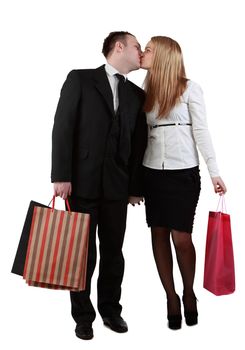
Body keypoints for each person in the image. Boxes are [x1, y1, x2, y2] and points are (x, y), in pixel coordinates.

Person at [51, 31, 146, 340]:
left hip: (117, 189)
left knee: (113, 253)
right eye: (136, 47)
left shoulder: (136, 96)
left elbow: (138, 145)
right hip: (81, 184)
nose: (141, 52)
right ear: (119, 47)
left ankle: (110, 310)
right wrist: (60, 175)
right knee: (81, 254)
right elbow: (63, 127)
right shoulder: (80, 79)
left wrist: (135, 186)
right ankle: (83, 316)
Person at [139, 36, 226, 329]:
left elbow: (202, 131)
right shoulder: (145, 89)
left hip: (183, 174)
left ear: (163, 55)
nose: (143, 53)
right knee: (158, 234)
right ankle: (170, 297)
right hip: (151, 172)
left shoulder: (190, 88)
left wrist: (215, 172)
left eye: (148, 49)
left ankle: (189, 293)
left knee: (181, 238)